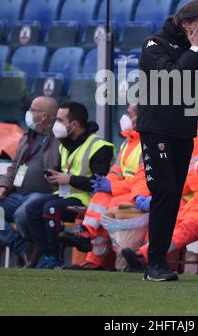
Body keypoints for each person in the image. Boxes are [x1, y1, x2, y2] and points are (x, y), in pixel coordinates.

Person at [137, 0, 198, 281]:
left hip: (183, 131)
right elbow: (171, 78)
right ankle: (155, 263)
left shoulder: (197, 48)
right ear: (186, 23)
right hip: (157, 129)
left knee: (173, 195)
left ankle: (158, 262)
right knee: (163, 192)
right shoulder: (155, 44)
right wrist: (196, 49)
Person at [122, 101, 198, 272]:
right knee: (175, 219)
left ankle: (145, 257)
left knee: (186, 224)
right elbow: (190, 172)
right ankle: (148, 258)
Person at [25, 102, 114, 269]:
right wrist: (54, 176)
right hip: (65, 195)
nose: (55, 124)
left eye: (60, 119)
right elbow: (63, 170)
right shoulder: (64, 144)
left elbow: (99, 183)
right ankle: (48, 256)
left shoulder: (100, 147)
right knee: (32, 209)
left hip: (89, 201)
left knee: (51, 208)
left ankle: (57, 260)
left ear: (73, 125)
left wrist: (69, 179)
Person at [59, 104, 148, 270]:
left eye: (129, 113)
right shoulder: (128, 142)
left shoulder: (146, 143)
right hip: (126, 191)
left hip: (139, 194)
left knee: (109, 205)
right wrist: (106, 183)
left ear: (140, 117)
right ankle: (88, 239)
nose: (125, 116)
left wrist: (113, 186)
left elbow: (143, 181)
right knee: (101, 196)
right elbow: (116, 171)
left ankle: (94, 253)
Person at [0, 96, 59, 265]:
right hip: (18, 194)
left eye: (33, 110)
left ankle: (32, 252)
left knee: (22, 214)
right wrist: (4, 186)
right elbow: (14, 166)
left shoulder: (59, 139)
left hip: (43, 195)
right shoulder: (27, 137)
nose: (28, 113)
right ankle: (23, 247)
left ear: (44, 116)